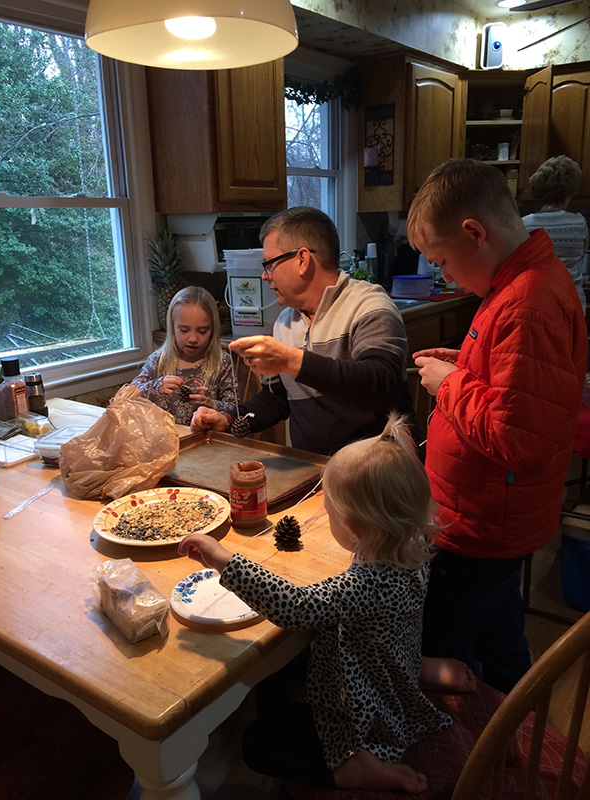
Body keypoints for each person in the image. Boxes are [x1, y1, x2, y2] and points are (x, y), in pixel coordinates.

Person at [179, 413, 453, 793]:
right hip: (389, 656)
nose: (328, 519)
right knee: (290, 672)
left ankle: (353, 765)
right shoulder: (413, 549)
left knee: (257, 744)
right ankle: (411, 670)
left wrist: (222, 559)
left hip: (363, 706)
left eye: (330, 515)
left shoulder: (366, 584)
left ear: (356, 529)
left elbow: (295, 607)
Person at [408, 158, 587, 693]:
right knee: (501, 641)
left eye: (442, 261)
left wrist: (449, 385)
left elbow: (516, 439)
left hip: (484, 523)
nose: (444, 275)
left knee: (438, 648)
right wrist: (464, 365)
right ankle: (519, 744)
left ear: (474, 234)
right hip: (492, 519)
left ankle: (450, 767)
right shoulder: (515, 285)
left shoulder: (526, 302)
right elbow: (515, 388)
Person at [191, 206, 416, 456]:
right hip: (314, 468)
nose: (265, 276)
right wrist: (228, 418)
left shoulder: (368, 305)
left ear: (302, 259)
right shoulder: (285, 322)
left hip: (377, 472)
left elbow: (380, 383)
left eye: (269, 264)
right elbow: (276, 399)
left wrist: (291, 360)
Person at [131, 286, 236, 425]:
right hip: (165, 439)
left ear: (213, 329)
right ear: (172, 327)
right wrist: (157, 386)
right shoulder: (159, 360)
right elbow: (131, 393)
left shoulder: (221, 362)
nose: (193, 338)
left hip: (205, 439)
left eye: (202, 331)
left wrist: (213, 404)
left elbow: (235, 407)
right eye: (184, 330)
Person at [522, 155, 588, 314]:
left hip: (538, 302)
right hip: (573, 303)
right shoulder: (579, 223)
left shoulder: (525, 224)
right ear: (570, 191)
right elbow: (582, 255)